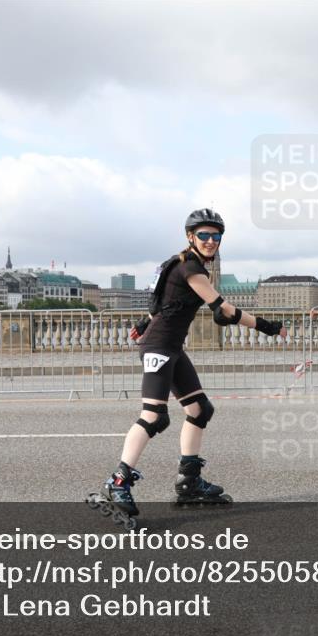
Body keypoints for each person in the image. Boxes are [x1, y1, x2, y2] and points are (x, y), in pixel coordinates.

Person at [96, 208, 286, 520]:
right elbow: (226, 310)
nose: (211, 240)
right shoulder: (192, 269)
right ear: (190, 237)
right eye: (204, 235)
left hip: (170, 346)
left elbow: (160, 302)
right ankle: (117, 481)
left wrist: (143, 322)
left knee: (200, 409)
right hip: (160, 347)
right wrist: (269, 327)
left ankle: (189, 481)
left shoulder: (179, 263)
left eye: (216, 236)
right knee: (154, 416)